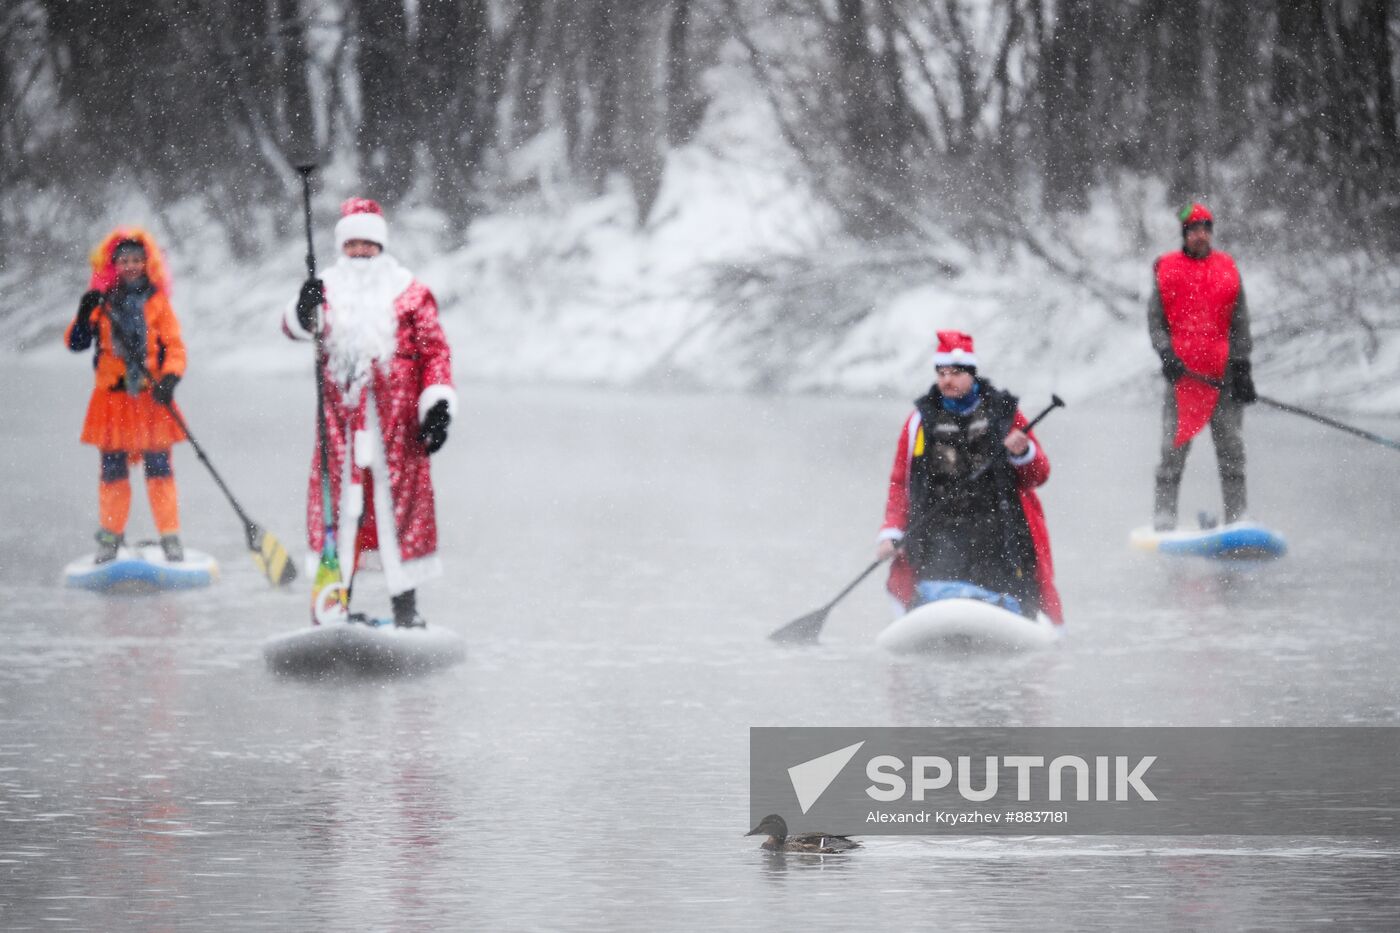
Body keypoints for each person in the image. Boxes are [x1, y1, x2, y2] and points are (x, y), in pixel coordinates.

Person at [284, 198, 456, 628]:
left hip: (398, 434)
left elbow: (435, 352)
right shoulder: (326, 287)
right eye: (353, 245)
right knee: (342, 513)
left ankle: (406, 611)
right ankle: (333, 607)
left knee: (399, 514)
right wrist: (304, 308)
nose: (360, 253)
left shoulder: (409, 292)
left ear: (381, 246)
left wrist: (437, 405)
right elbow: (294, 328)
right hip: (341, 432)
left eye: (368, 245)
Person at [876, 331, 1062, 623]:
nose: (946, 380)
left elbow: (1039, 475)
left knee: (1006, 586)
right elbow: (901, 482)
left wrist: (1022, 452)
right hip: (939, 531)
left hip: (999, 533)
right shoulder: (918, 422)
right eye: (942, 372)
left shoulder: (1004, 414)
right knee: (935, 582)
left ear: (972, 374)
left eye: (955, 373)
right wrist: (892, 532)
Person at [66, 229, 188, 563]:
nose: (131, 266)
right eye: (124, 261)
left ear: (148, 264)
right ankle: (110, 537)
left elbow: (175, 348)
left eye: (137, 260)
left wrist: (170, 379)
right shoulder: (101, 302)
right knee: (113, 471)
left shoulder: (158, 303)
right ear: (113, 265)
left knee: (159, 469)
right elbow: (76, 343)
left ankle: (170, 536)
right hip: (112, 403)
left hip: (151, 399)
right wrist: (82, 312)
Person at [1147, 202, 1256, 530]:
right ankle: (1164, 519)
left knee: (1232, 450)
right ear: (1185, 234)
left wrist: (1242, 366)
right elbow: (1156, 321)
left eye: (1206, 229)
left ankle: (1237, 517)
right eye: (1194, 230)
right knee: (1172, 451)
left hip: (1223, 378)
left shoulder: (1227, 267)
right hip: (1184, 379)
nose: (1201, 235)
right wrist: (1166, 354)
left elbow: (1240, 320)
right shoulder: (1166, 268)